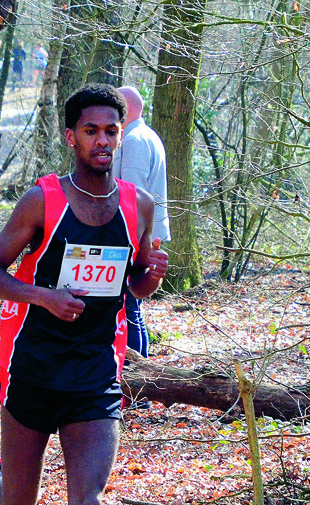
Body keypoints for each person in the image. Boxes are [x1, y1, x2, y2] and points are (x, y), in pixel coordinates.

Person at [0, 84, 168, 505]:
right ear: (71, 137)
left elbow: (132, 287)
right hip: (33, 369)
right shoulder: (43, 200)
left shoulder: (139, 204)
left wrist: (150, 277)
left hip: (94, 376)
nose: (103, 141)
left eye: (112, 131)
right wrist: (44, 297)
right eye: (92, 131)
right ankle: (1, 482)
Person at [113, 86, 169, 359]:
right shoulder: (147, 135)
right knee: (131, 307)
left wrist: (125, 239)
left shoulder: (134, 140)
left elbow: (132, 194)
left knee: (130, 306)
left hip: (135, 236)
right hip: (145, 233)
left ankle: (140, 384)